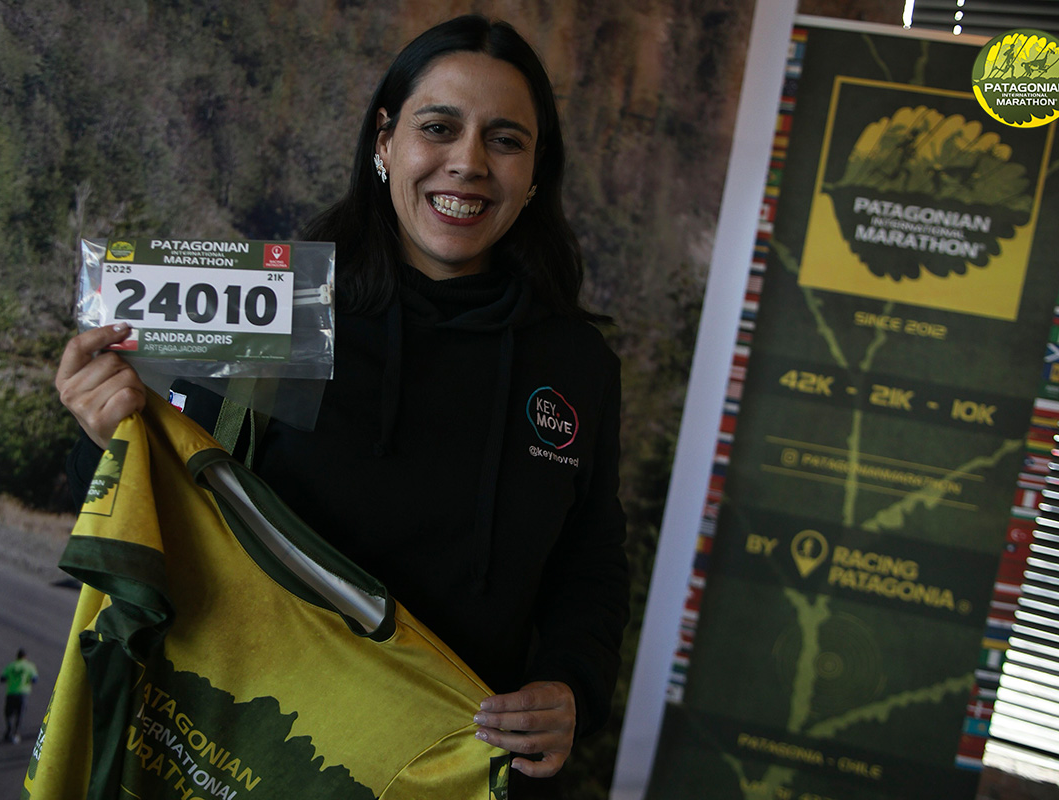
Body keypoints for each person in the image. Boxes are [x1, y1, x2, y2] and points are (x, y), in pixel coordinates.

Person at [56, 14, 629, 793]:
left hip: (437, 773)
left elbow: (591, 562)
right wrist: (103, 431)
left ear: (535, 173)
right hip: (245, 753)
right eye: (439, 128)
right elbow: (159, 497)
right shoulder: (276, 309)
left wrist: (572, 687)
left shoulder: (577, 366)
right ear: (384, 142)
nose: (468, 163)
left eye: (505, 140)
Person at [1, 648, 39, 743]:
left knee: (8, 714)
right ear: (25, 657)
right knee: (20, 714)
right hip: (23, 693)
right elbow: (34, 679)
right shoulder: (29, 666)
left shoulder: (11, 666)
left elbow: (2, 678)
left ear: (17, 656)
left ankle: (9, 728)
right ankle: (16, 733)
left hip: (11, 692)